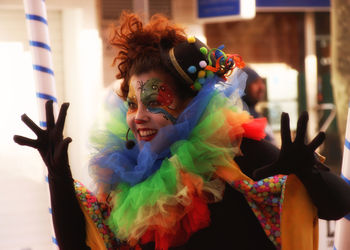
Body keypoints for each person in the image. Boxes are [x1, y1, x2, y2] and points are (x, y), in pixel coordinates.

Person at [13, 12, 350, 250]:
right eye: (132, 104)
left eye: (156, 101)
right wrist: (57, 176)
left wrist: (308, 173)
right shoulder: (129, 175)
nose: (139, 117)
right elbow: (78, 245)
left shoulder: (235, 150)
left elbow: (339, 205)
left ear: (193, 102)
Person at [242, 66, 276, 144]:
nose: (261, 87)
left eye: (262, 82)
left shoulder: (255, 114)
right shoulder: (239, 116)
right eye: (255, 82)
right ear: (244, 86)